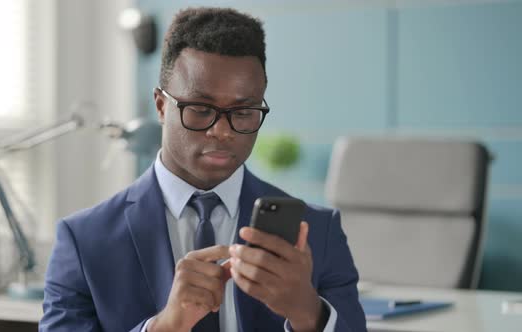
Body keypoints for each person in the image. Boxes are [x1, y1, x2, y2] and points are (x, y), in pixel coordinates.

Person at [40, 7, 366, 332]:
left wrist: (307, 312)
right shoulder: (85, 240)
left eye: (243, 112)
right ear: (160, 106)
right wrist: (165, 327)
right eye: (199, 109)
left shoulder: (318, 232)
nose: (222, 131)